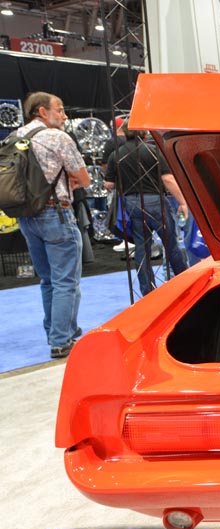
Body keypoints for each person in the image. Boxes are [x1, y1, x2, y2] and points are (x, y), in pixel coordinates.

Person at [13, 92, 92, 359]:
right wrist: (71, 178)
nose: (65, 116)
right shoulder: (56, 137)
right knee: (66, 281)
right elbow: (84, 178)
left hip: (26, 216)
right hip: (56, 214)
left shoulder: (15, 137)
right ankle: (61, 340)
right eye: (60, 110)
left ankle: (57, 331)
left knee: (48, 280)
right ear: (42, 112)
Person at [103, 122, 188, 297]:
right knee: (171, 245)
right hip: (156, 201)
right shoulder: (153, 151)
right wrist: (183, 202)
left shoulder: (115, 154)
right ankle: (185, 284)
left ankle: (147, 292)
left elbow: (108, 184)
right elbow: (168, 179)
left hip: (131, 203)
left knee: (142, 247)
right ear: (144, 133)